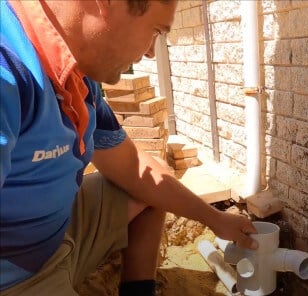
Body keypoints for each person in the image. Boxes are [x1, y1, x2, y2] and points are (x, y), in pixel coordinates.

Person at [0, 0, 258, 295]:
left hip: (56, 230)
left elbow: (135, 170)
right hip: (14, 275)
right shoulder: (7, 69)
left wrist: (215, 219)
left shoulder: (79, 76)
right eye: (157, 30)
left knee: (154, 185)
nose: (150, 52)